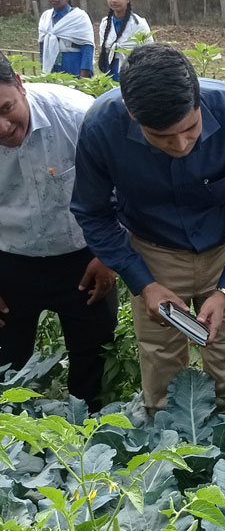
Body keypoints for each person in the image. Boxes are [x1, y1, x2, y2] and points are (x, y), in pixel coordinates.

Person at [70, 43, 225, 411]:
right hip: (152, 252)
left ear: (198, 100)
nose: (180, 144)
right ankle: (173, 456)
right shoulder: (101, 127)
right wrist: (143, 284)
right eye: (162, 138)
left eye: (191, 129)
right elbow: (92, 212)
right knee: (161, 370)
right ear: (133, 115)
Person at [0, 52, 116, 410]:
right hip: (9, 260)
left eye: (6, 109)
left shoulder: (79, 116)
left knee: (92, 358)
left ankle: (93, 440)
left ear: (20, 84)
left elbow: (123, 184)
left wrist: (107, 254)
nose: (2, 127)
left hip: (84, 258)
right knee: (6, 367)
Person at [37, 0, 93, 78]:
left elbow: (87, 48)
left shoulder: (79, 17)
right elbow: (42, 46)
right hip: (52, 70)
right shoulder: (45, 17)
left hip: (74, 68)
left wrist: (83, 79)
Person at [97, 0, 154, 82]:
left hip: (133, 76)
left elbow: (150, 53)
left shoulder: (139, 23)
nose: (114, 0)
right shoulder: (105, 23)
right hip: (109, 76)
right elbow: (105, 51)